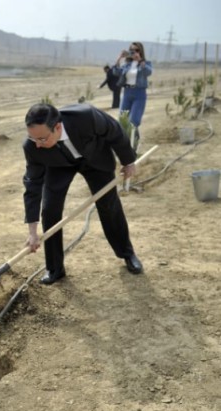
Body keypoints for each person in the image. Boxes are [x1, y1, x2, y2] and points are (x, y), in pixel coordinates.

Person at [22, 103, 143, 285]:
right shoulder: (33, 146)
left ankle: (127, 254)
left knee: (109, 206)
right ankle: (55, 268)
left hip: (95, 159)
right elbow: (32, 185)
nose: (37, 144)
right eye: (33, 139)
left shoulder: (85, 117)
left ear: (57, 127)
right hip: (58, 165)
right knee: (50, 210)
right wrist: (32, 231)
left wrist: (128, 161)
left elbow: (115, 131)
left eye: (42, 139)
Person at [113, 42, 153, 144]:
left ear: (141, 51)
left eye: (136, 50)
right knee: (122, 120)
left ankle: (133, 145)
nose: (134, 52)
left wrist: (140, 60)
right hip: (127, 93)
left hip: (139, 94)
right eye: (132, 50)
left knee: (133, 121)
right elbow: (115, 72)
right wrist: (119, 58)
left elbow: (148, 72)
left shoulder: (146, 63)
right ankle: (128, 144)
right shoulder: (127, 65)